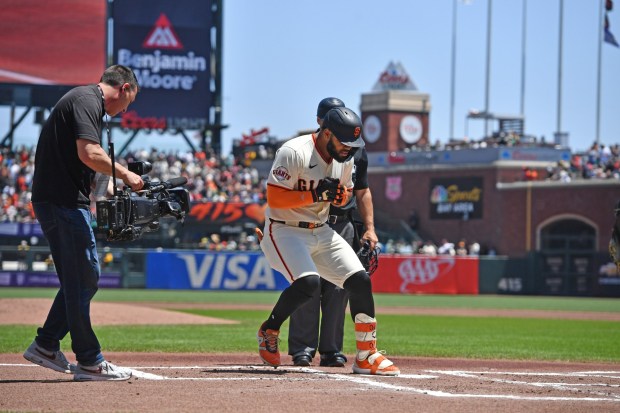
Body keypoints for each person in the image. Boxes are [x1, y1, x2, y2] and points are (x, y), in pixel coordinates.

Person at [257, 106, 399, 376]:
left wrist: (339, 196)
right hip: (284, 229)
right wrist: (315, 195)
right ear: (326, 133)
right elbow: (275, 200)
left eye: (352, 144)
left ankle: (367, 355)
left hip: (320, 229)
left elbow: (346, 195)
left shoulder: (344, 158)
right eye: (344, 143)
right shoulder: (293, 151)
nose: (349, 149)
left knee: (360, 281)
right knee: (308, 283)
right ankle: (270, 329)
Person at [23, 65, 143, 381]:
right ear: (125, 88)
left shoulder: (85, 102)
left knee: (84, 278)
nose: (124, 111)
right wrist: (126, 173)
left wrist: (110, 184)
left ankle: (47, 344)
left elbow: (86, 162)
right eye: (129, 102)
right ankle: (89, 360)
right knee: (84, 280)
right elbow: (90, 152)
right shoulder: (87, 100)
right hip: (62, 204)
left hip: (62, 202)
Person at [288, 98, 378, 368]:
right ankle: (302, 348)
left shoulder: (355, 151)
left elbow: (362, 190)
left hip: (342, 224)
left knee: (341, 286)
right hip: (308, 223)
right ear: (320, 123)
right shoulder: (303, 150)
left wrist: (370, 228)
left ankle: (331, 349)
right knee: (307, 284)